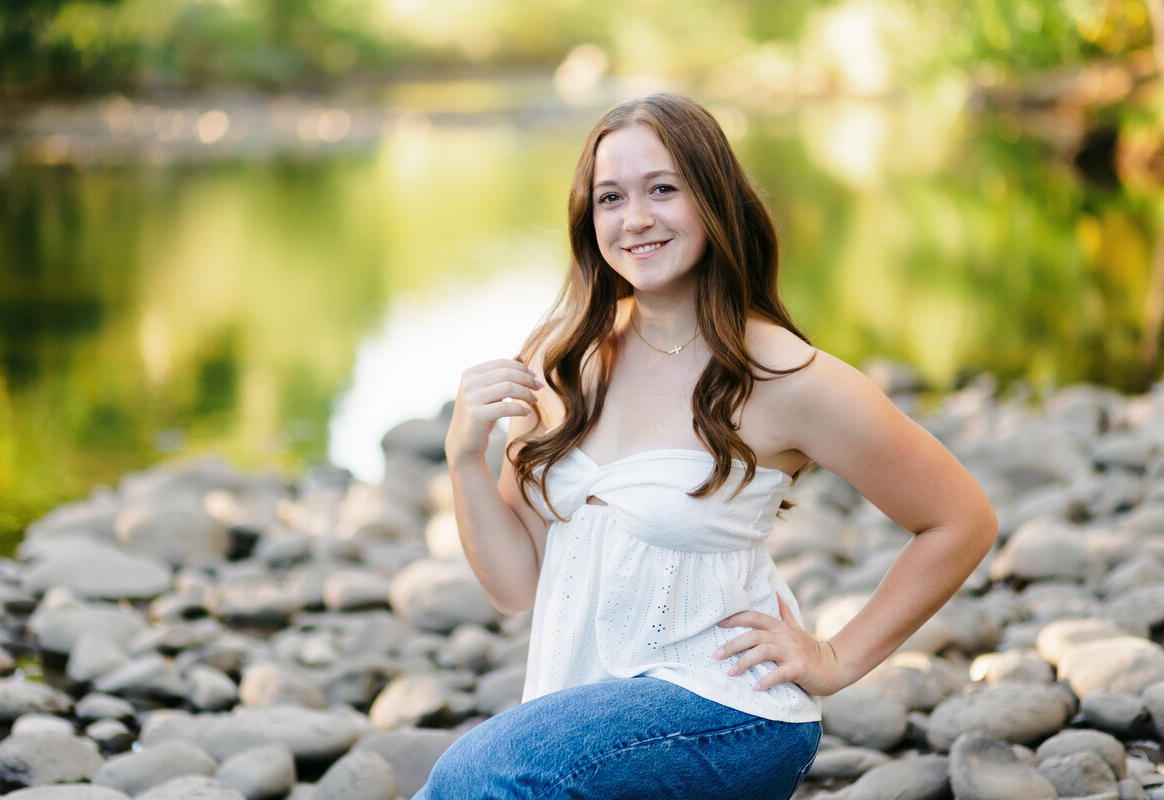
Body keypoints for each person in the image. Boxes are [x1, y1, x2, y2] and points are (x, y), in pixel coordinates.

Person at [414, 92, 997, 799]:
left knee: (477, 776)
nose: (635, 220)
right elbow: (513, 587)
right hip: (585, 715)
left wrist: (837, 658)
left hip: (727, 708)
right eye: (610, 197)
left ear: (714, 199)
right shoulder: (559, 362)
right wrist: (463, 458)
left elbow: (960, 520)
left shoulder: (783, 377)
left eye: (663, 189)